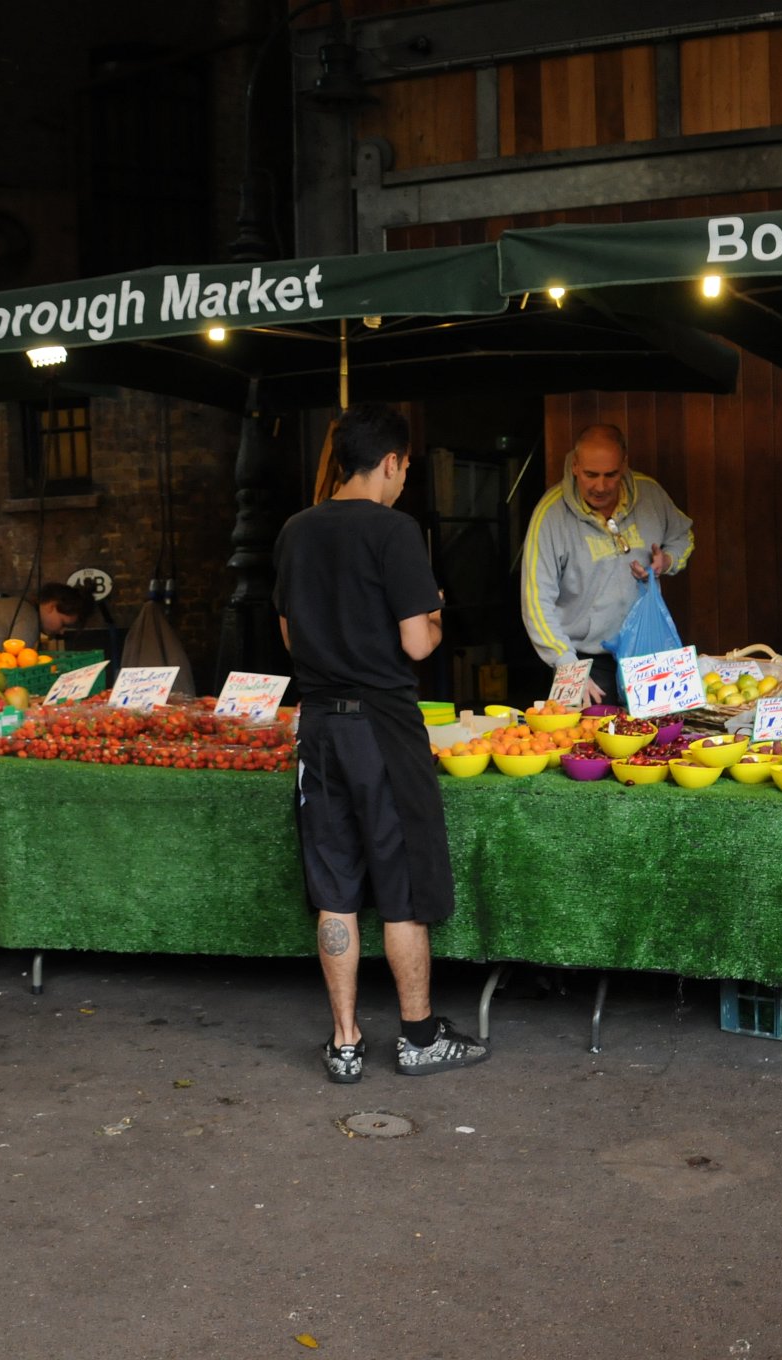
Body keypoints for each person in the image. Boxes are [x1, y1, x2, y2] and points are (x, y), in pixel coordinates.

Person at [273, 402, 489, 1082]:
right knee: (400, 888)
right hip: (384, 729)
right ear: (391, 462)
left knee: (335, 888)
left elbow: (288, 636)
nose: (403, 482)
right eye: (404, 470)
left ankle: (344, 1041)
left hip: (320, 729)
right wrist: (435, 609)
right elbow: (417, 641)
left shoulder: (294, 531)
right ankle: (419, 1036)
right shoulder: (394, 532)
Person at [519, 424, 694, 706]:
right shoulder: (549, 514)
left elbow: (682, 535)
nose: (600, 486)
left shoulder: (651, 494)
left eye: (610, 475)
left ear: (624, 465)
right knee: (588, 745)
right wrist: (567, 665)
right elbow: (536, 602)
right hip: (582, 659)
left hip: (649, 653)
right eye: (591, 475)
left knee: (663, 742)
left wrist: (667, 560)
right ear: (575, 466)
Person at [0, 582, 91, 653]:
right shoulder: (30, 618)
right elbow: (15, 663)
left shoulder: (22, 607)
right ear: (51, 606)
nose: (61, 631)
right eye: (63, 623)